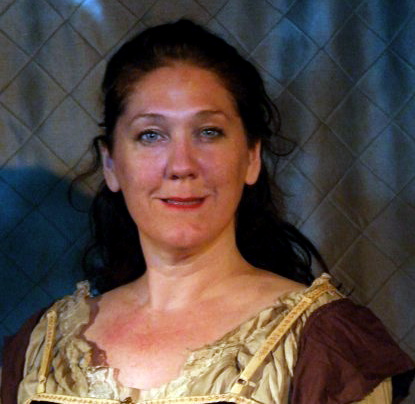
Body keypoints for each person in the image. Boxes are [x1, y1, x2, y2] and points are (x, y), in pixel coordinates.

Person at [1, 20, 414, 404]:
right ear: (111, 164)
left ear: (251, 157)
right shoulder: (42, 346)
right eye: (151, 135)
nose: (181, 165)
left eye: (209, 132)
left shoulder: (326, 344)